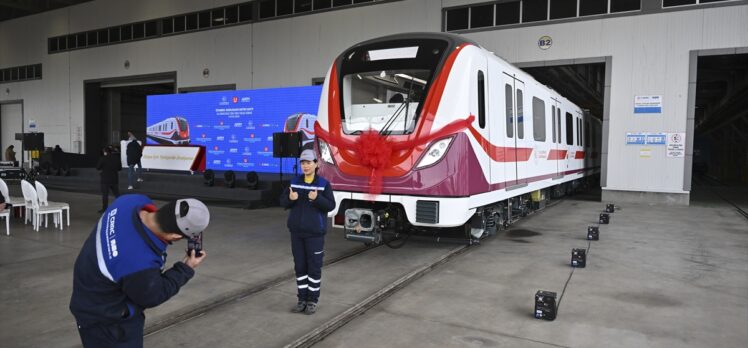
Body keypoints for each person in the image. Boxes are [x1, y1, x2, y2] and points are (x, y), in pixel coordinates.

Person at [69, 195, 210, 348]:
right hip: (105, 319)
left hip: (88, 289)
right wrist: (186, 267)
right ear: (175, 235)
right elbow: (152, 295)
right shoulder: (139, 262)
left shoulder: (130, 201)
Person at [279, 149, 336, 315]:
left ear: (316, 164)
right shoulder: (294, 182)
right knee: (300, 266)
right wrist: (290, 199)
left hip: (315, 234)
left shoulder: (323, 184)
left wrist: (316, 198)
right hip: (296, 233)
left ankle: (312, 300)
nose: (305, 166)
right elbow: (282, 202)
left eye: (308, 162)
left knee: (314, 268)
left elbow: (331, 206)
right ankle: (301, 299)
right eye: (303, 163)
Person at [96, 146, 122, 213]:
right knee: (117, 194)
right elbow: (119, 168)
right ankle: (121, 206)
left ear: (105, 152)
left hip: (105, 180)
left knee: (105, 195)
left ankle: (104, 209)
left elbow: (98, 167)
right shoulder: (116, 158)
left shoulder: (103, 158)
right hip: (114, 179)